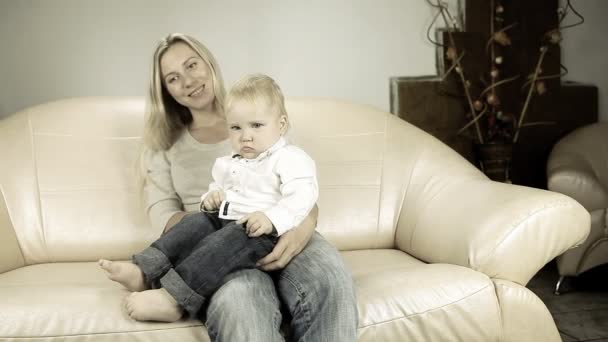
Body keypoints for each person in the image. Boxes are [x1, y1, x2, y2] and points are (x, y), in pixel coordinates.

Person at [99, 33, 357, 341]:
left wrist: (302, 227)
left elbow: (297, 186)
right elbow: (164, 215)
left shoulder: (255, 109)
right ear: (165, 90)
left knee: (329, 280)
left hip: (284, 228)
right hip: (213, 240)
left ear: (209, 63)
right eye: (173, 78)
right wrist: (223, 232)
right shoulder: (163, 142)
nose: (188, 81)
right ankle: (152, 277)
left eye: (192, 65)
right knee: (241, 305)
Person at [100, 73, 320, 321]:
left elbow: (302, 196)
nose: (245, 136)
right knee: (194, 222)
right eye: (236, 127)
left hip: (261, 232)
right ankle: (145, 270)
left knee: (221, 244)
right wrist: (212, 197)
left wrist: (272, 218)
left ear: (281, 125)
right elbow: (222, 187)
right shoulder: (232, 161)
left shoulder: (290, 158)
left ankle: (173, 299)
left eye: (256, 126)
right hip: (228, 218)